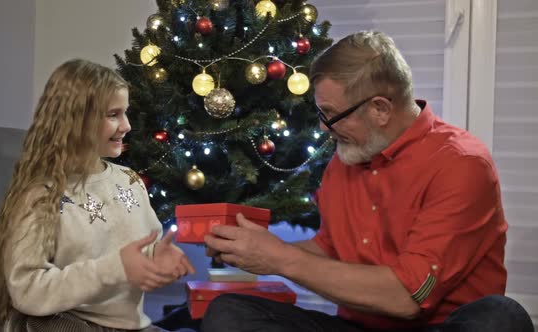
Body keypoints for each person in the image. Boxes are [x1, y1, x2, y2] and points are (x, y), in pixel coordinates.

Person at [201, 31, 534, 332]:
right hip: (358, 327)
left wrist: (279, 259)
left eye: (329, 113)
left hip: (439, 327)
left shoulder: (461, 164)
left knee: (500, 318)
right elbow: (329, 252)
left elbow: (407, 297)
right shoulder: (346, 158)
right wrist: (252, 249)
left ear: (380, 109)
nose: (322, 128)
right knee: (229, 313)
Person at [0, 59, 195, 332]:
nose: (127, 125)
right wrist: (115, 269)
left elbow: (137, 250)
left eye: (125, 113)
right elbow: (27, 290)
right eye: (113, 115)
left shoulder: (129, 183)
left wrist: (157, 259)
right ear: (76, 120)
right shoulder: (41, 196)